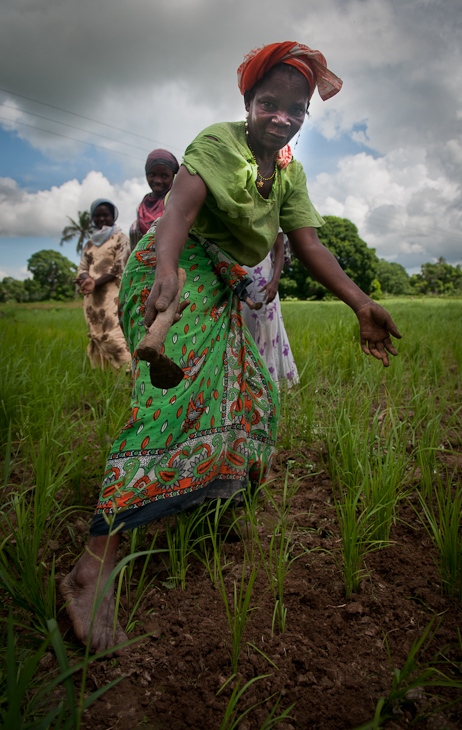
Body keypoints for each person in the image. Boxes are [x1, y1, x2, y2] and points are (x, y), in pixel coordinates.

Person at [61, 41, 401, 653]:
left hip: (224, 284)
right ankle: (91, 569)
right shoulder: (216, 144)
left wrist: (359, 302)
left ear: (305, 116)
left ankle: (204, 511)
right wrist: (165, 270)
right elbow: (178, 216)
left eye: (296, 108)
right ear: (248, 103)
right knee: (169, 406)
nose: (282, 115)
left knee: (252, 399)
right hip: (174, 271)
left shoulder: (289, 170)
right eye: (269, 102)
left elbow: (310, 244)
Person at [76, 199, 131, 370]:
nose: (101, 219)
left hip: (112, 295)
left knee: (112, 333)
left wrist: (94, 282)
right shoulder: (90, 243)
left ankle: (130, 373)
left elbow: (120, 266)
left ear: (113, 216)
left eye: (105, 215)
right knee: (96, 334)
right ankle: (107, 381)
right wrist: (86, 279)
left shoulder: (120, 238)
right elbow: (82, 267)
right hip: (92, 298)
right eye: (97, 216)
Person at [241, 231, 299, 387]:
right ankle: (245, 381)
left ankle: (269, 383)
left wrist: (275, 281)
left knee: (266, 326)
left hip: (264, 278)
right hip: (239, 274)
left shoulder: (270, 210)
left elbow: (279, 249)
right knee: (241, 325)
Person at [129, 149, 180, 251]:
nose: (157, 180)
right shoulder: (143, 205)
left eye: (164, 176)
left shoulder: (176, 200)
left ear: (174, 176)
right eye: (152, 175)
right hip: (143, 261)